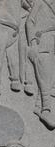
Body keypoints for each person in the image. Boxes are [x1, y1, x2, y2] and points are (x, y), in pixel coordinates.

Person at [26, 0, 55, 129]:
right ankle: (46, 110)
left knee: (50, 76)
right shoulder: (41, 2)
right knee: (45, 75)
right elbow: (29, 22)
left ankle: (38, 106)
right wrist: (32, 43)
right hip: (43, 42)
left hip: (53, 43)